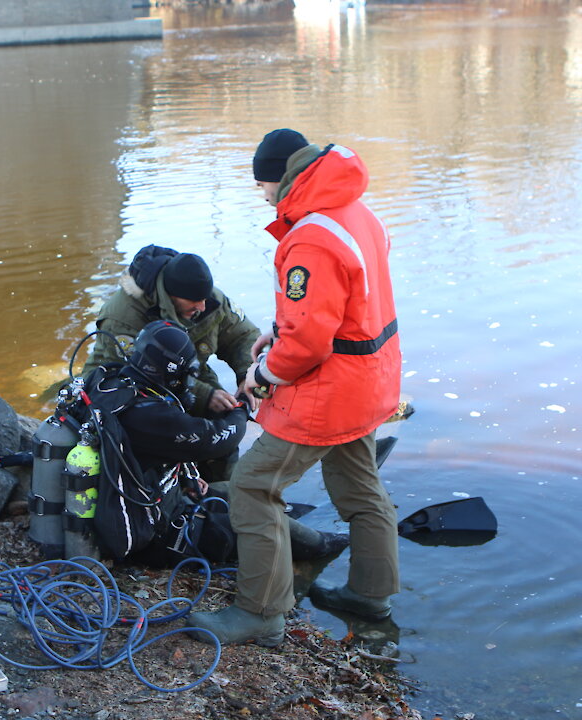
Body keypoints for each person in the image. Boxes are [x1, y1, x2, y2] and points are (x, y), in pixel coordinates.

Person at [186, 129, 403, 647]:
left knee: (255, 484)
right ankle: (372, 596)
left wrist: (261, 375)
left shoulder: (310, 235)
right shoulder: (356, 212)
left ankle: (261, 612)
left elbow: (308, 344)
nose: (262, 195)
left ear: (283, 177)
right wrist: (280, 332)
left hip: (329, 392)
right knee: (360, 486)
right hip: (371, 381)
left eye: (262, 184)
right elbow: (343, 306)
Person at [87, 319, 348, 566]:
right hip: (157, 534)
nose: (188, 383)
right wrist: (242, 407)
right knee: (259, 520)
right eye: (187, 375)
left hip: (151, 501)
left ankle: (299, 515)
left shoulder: (112, 384)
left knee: (242, 491)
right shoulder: (147, 414)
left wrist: (186, 480)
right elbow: (219, 438)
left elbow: (148, 454)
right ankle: (325, 545)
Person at [84, 246, 261, 419]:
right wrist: (204, 395)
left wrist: (250, 375)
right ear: (172, 295)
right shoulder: (124, 315)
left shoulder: (210, 300)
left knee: (224, 416)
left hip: (191, 373)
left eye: (204, 299)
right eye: (194, 301)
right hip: (123, 385)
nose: (202, 307)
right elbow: (136, 373)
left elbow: (243, 336)